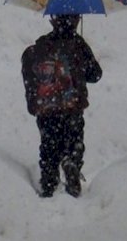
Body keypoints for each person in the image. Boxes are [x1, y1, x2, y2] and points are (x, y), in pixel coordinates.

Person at [21, 14, 102, 197]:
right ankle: (71, 163)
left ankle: (49, 182)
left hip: (47, 108)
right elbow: (95, 75)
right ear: (76, 20)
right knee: (74, 141)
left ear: (52, 20)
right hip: (72, 108)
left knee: (49, 145)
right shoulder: (77, 44)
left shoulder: (42, 45)